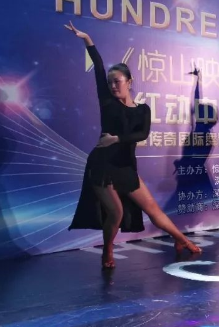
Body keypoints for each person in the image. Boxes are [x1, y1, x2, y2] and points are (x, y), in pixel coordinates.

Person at [66, 21, 201, 269]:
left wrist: (117, 139)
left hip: (126, 167)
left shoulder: (143, 109)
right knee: (116, 212)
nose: (113, 86)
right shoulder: (107, 102)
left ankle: (181, 240)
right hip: (102, 166)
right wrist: (87, 39)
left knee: (154, 210)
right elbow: (98, 66)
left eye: (117, 81)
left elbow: (143, 134)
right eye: (110, 82)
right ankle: (107, 251)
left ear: (130, 81)